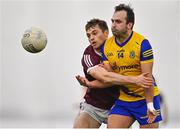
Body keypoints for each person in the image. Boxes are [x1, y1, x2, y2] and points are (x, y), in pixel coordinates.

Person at [82, 4, 163, 128]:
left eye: (118, 21)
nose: (113, 25)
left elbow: (147, 80)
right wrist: (91, 84)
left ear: (129, 25)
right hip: (124, 100)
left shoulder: (142, 44)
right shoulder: (107, 46)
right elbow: (110, 77)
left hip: (145, 99)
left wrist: (150, 105)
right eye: (112, 21)